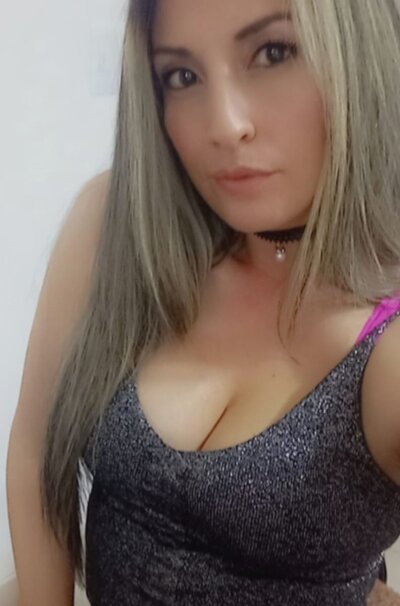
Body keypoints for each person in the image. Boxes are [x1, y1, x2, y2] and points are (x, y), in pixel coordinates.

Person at [6, 0, 400, 604]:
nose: (225, 124)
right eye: (182, 75)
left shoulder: (385, 349)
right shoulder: (118, 226)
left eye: (274, 52)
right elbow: (36, 451)